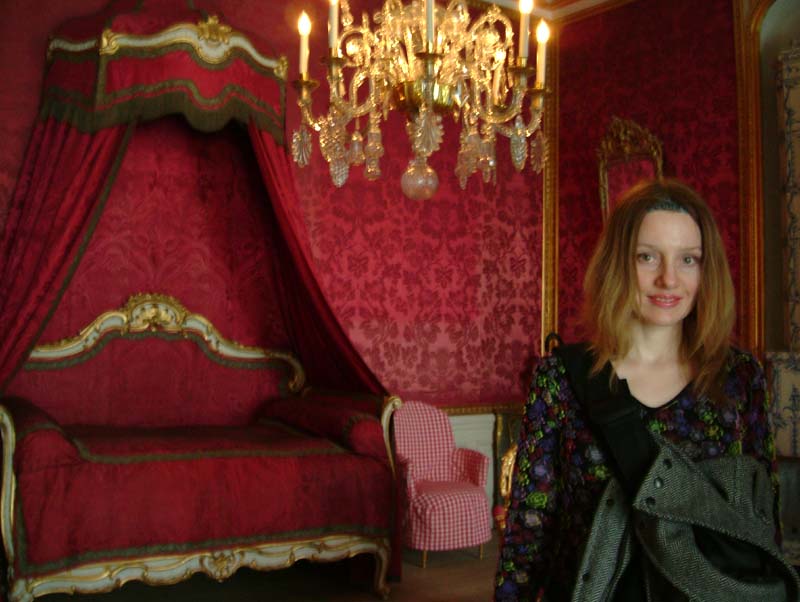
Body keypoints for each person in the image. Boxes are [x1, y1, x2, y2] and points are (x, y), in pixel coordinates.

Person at [494, 178, 798, 601]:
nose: (668, 279)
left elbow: (760, 525)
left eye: (688, 259)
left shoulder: (740, 377)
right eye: (647, 257)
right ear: (618, 264)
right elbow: (529, 531)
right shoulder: (561, 377)